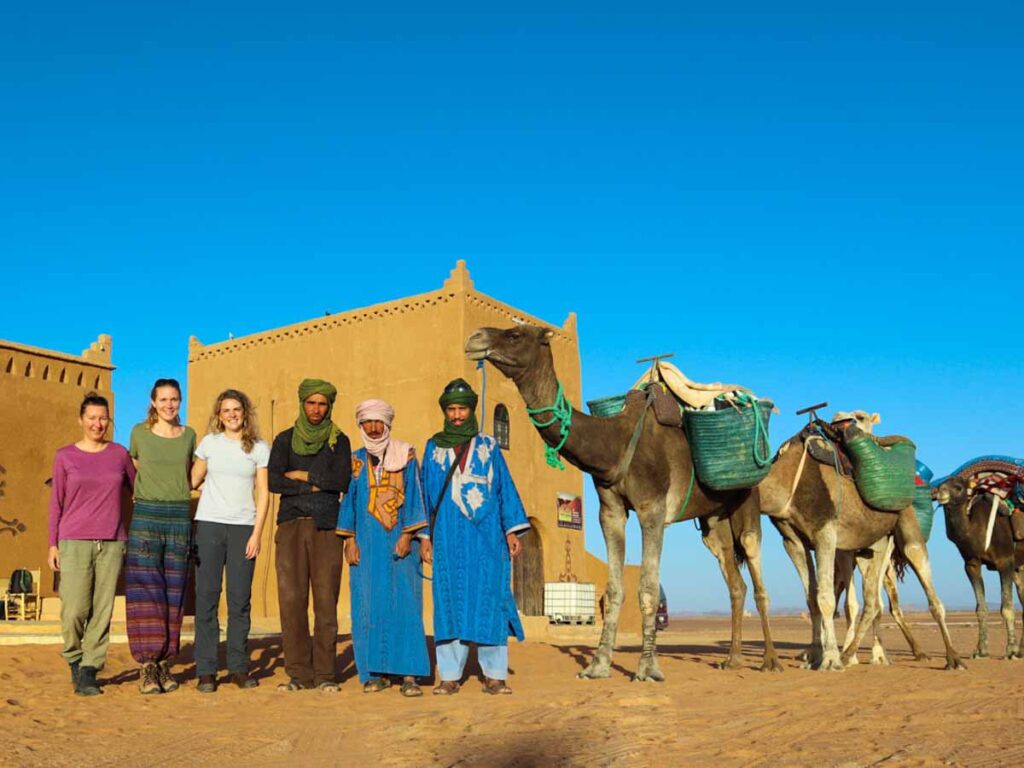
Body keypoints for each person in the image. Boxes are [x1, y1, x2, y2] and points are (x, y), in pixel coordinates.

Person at [422, 378, 530, 696]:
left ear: (471, 410)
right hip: (447, 538)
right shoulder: (433, 447)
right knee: (449, 604)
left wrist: (511, 530)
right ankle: (450, 676)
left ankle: (495, 675)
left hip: (487, 539)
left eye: (462, 409)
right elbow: (428, 495)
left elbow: (504, 489)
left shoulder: (488, 445)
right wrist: (425, 537)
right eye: (452, 409)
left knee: (490, 602)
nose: (457, 415)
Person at [336, 399, 431, 697]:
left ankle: (409, 675)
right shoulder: (355, 461)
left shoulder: (407, 454)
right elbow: (349, 501)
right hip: (366, 544)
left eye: (380, 423)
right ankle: (374, 673)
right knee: (368, 606)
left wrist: (409, 535)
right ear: (360, 425)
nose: (374, 429)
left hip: (402, 545)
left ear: (388, 424)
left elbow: (417, 495)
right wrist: (349, 541)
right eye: (368, 423)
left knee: (406, 606)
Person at [47, 392, 136, 696]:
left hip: (112, 541)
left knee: (102, 610)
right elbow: (55, 503)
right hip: (73, 541)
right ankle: (74, 656)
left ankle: (89, 669)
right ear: (81, 420)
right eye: (92, 418)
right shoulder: (65, 457)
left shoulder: (120, 455)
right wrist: (53, 544)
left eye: (103, 418)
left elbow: (140, 488)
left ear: (109, 420)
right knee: (73, 609)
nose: (98, 424)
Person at [268, 378, 351, 691]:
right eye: (311, 403)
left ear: (329, 406)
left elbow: (341, 479)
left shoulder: (338, 441)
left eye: (322, 403)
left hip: (327, 527)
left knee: (326, 601)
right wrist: (319, 484)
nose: (316, 409)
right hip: (290, 526)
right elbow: (275, 480)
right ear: (302, 404)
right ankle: (299, 674)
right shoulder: (284, 440)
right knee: (291, 602)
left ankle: (326, 674)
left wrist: (302, 475)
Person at [190, 389, 270, 693]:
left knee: (240, 601)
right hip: (209, 525)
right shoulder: (209, 444)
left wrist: (257, 533)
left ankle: (238, 667)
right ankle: (206, 670)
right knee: (207, 598)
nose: (232, 415)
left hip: (243, 529)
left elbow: (263, 493)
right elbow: (193, 481)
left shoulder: (260, 449)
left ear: (245, 412)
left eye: (237, 409)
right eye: (226, 410)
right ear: (218, 415)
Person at [126, 377, 196, 694]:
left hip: (179, 516)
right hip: (146, 515)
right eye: (164, 399)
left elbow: (193, 472)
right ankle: (147, 665)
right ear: (153, 402)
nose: (169, 405)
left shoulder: (189, 436)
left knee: (175, 591)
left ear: (180, 402)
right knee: (146, 590)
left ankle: (167, 662)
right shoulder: (139, 433)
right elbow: (136, 465)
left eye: (174, 399)